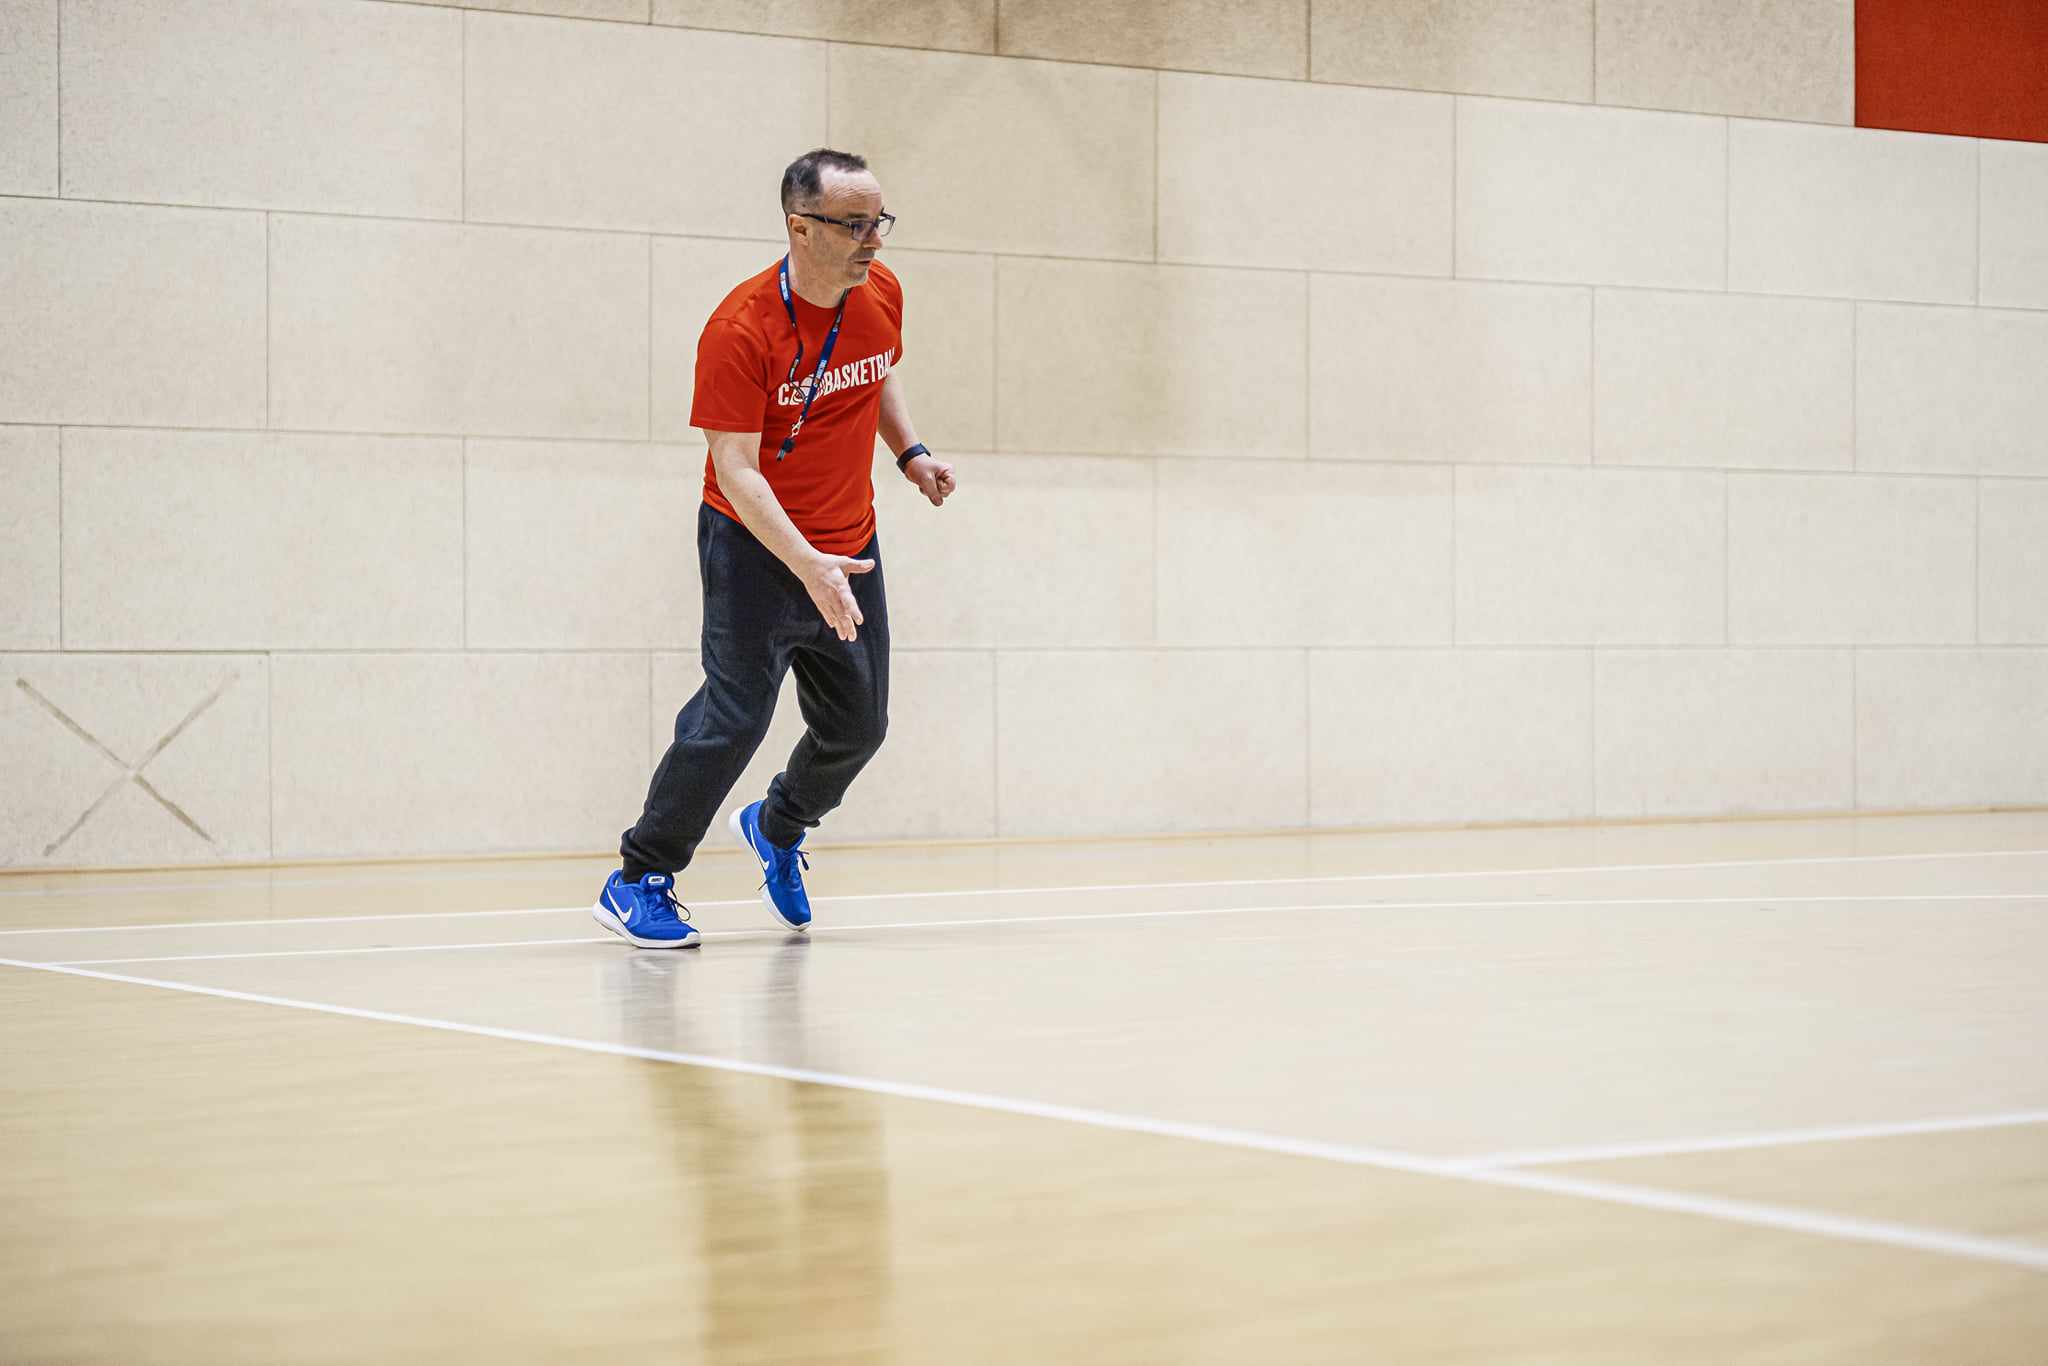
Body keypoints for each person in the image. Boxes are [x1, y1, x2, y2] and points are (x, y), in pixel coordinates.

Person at [593, 148, 956, 949]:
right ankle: (639, 877)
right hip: (753, 548)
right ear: (801, 227)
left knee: (858, 726)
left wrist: (910, 453)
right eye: (854, 225)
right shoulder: (740, 329)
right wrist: (805, 565)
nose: (873, 241)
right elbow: (736, 466)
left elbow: (877, 371)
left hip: (848, 543)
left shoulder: (880, 292)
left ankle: (778, 824)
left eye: (880, 222)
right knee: (733, 720)